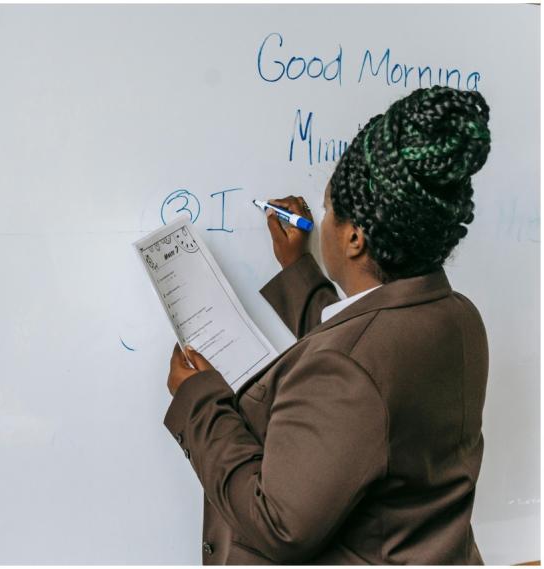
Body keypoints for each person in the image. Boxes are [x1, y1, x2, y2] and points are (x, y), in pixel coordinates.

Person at [162, 85, 492, 564]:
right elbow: (364, 354)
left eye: (329, 209)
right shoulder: (459, 316)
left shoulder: (347, 369)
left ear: (355, 239)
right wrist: (298, 269)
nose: (323, 219)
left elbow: (279, 525)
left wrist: (199, 404)